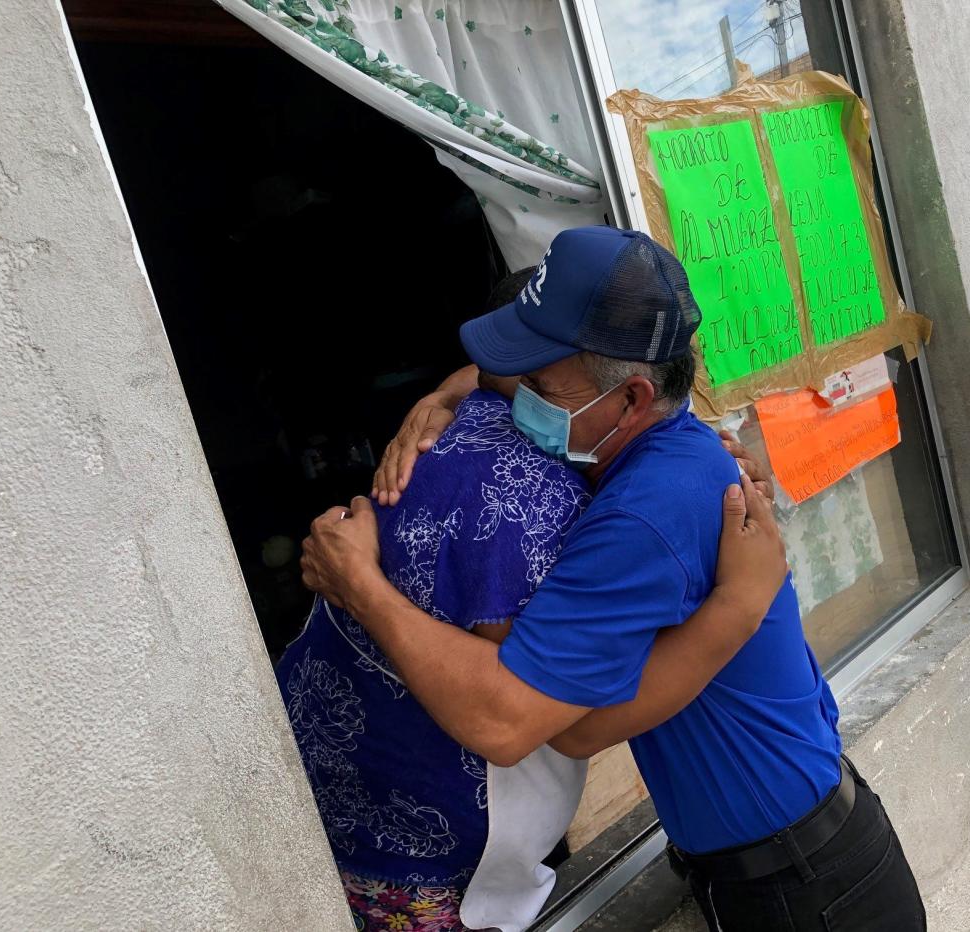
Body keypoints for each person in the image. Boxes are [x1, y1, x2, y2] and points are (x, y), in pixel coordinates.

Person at [302, 226, 926, 931]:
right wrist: (441, 399)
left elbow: (517, 724)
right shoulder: (640, 443)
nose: (517, 397)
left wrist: (361, 583)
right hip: (781, 860)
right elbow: (492, 376)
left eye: (539, 383)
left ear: (630, 397)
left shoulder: (648, 511)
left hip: (808, 892)